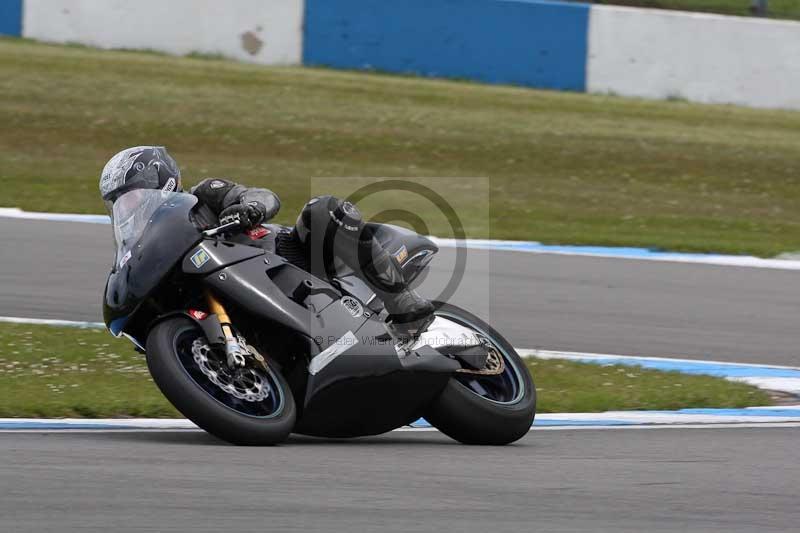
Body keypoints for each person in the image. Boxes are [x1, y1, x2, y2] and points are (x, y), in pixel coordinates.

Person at [99, 146, 434, 334]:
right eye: (119, 203)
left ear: (162, 182)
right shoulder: (152, 241)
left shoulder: (204, 196)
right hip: (258, 297)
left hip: (295, 261)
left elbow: (262, 196)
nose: (125, 208)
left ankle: (404, 303)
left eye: (130, 197)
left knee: (322, 209)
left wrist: (250, 209)